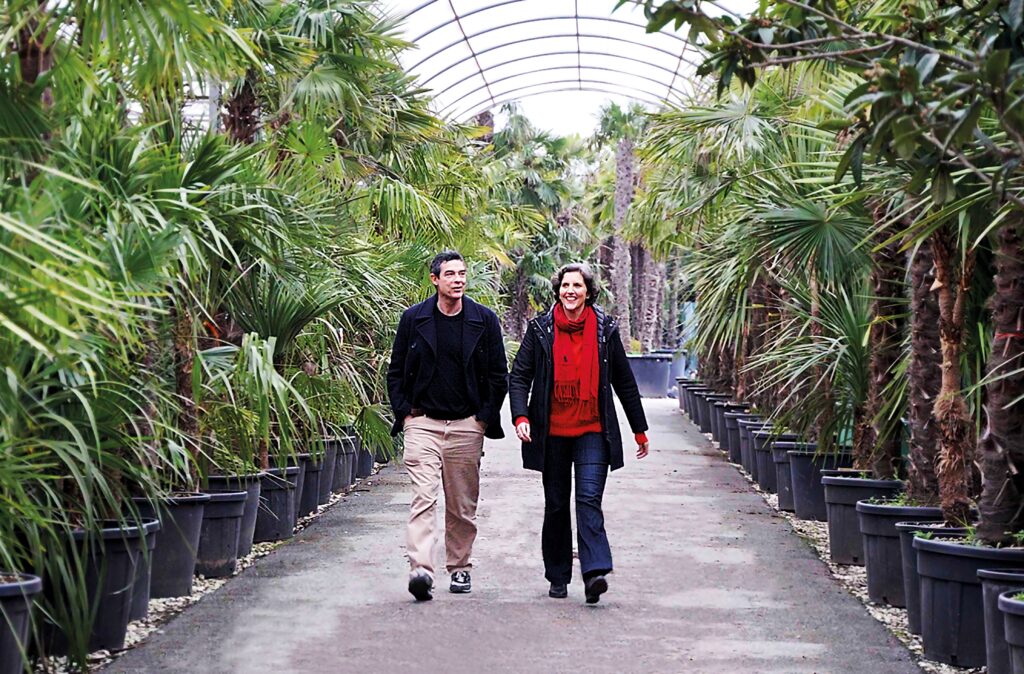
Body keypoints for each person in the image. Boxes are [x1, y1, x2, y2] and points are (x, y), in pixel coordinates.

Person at [509, 262, 649, 604]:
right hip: (552, 431)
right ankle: (557, 576)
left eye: (577, 285)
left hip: (592, 430)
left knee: (588, 499)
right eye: (565, 285)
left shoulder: (605, 330)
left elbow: (624, 382)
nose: (570, 291)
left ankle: (594, 573)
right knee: (556, 504)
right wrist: (520, 416)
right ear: (558, 290)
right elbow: (520, 376)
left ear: (588, 291)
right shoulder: (541, 328)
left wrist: (639, 430)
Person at [387, 250, 508, 601]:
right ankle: (421, 570)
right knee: (423, 496)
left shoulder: (483, 320)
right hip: (422, 422)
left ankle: (459, 568)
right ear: (434, 279)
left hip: (466, 425)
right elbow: (396, 371)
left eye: (463, 274)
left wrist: (483, 417)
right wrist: (406, 412)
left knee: (461, 504)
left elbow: (498, 375)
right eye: (451, 274)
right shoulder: (414, 319)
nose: (459, 280)